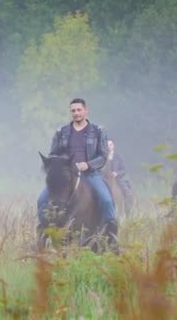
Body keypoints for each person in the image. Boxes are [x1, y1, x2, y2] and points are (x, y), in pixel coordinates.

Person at [37, 98, 118, 248]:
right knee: (42, 199)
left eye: (79, 110)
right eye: (73, 111)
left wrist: (87, 164)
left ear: (86, 110)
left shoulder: (98, 130)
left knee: (106, 199)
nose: (76, 113)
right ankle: (42, 234)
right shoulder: (61, 132)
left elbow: (103, 156)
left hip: (90, 174)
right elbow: (53, 154)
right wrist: (59, 163)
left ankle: (112, 237)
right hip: (67, 175)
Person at [106, 139, 135, 217]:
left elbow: (123, 170)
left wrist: (116, 173)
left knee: (127, 192)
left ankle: (128, 211)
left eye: (111, 144)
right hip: (105, 178)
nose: (109, 147)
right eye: (107, 145)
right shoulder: (103, 157)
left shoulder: (118, 157)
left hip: (117, 179)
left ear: (114, 145)